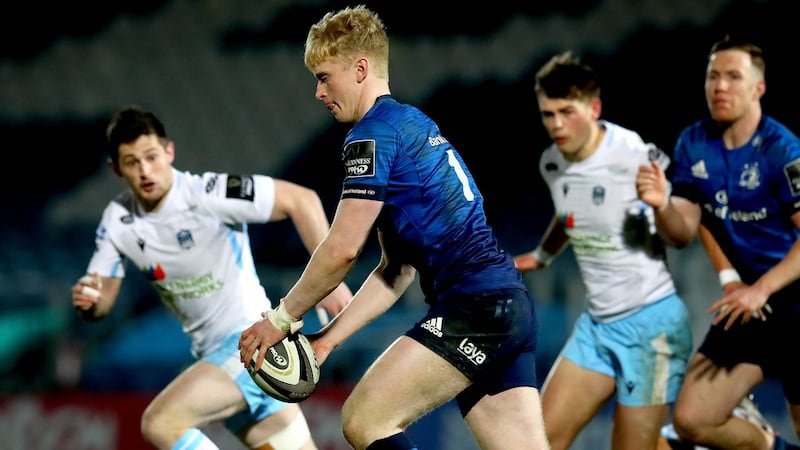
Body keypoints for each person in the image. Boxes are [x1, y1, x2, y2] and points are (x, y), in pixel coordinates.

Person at [237, 5, 549, 450]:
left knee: (365, 421)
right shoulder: (413, 123)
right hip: (508, 308)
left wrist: (281, 317)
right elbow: (394, 271)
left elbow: (342, 249)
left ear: (360, 68)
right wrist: (325, 343)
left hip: (472, 310)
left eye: (325, 77)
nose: (318, 92)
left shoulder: (371, 135)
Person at [71, 105, 352, 450]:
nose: (145, 170)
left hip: (251, 342)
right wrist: (90, 300)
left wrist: (328, 280)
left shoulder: (207, 192)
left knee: (161, 422)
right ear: (116, 169)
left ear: (169, 151)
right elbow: (101, 301)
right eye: (132, 162)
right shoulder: (118, 220)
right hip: (220, 363)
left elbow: (302, 200)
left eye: (152, 156)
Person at [512, 50, 693, 450]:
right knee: (536, 442)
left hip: (652, 327)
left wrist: (662, 204)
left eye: (566, 112)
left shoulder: (631, 151)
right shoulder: (552, 163)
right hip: (596, 328)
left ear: (594, 108)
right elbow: (569, 211)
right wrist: (543, 254)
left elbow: (682, 233)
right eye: (547, 114)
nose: (556, 125)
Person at [636, 35, 800, 450]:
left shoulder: (782, 150)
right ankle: (768, 444)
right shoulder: (694, 142)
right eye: (713, 77)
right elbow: (684, 231)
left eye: (732, 77)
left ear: (758, 88)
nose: (720, 86)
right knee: (692, 420)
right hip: (751, 306)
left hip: (792, 303)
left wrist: (760, 288)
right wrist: (660, 206)